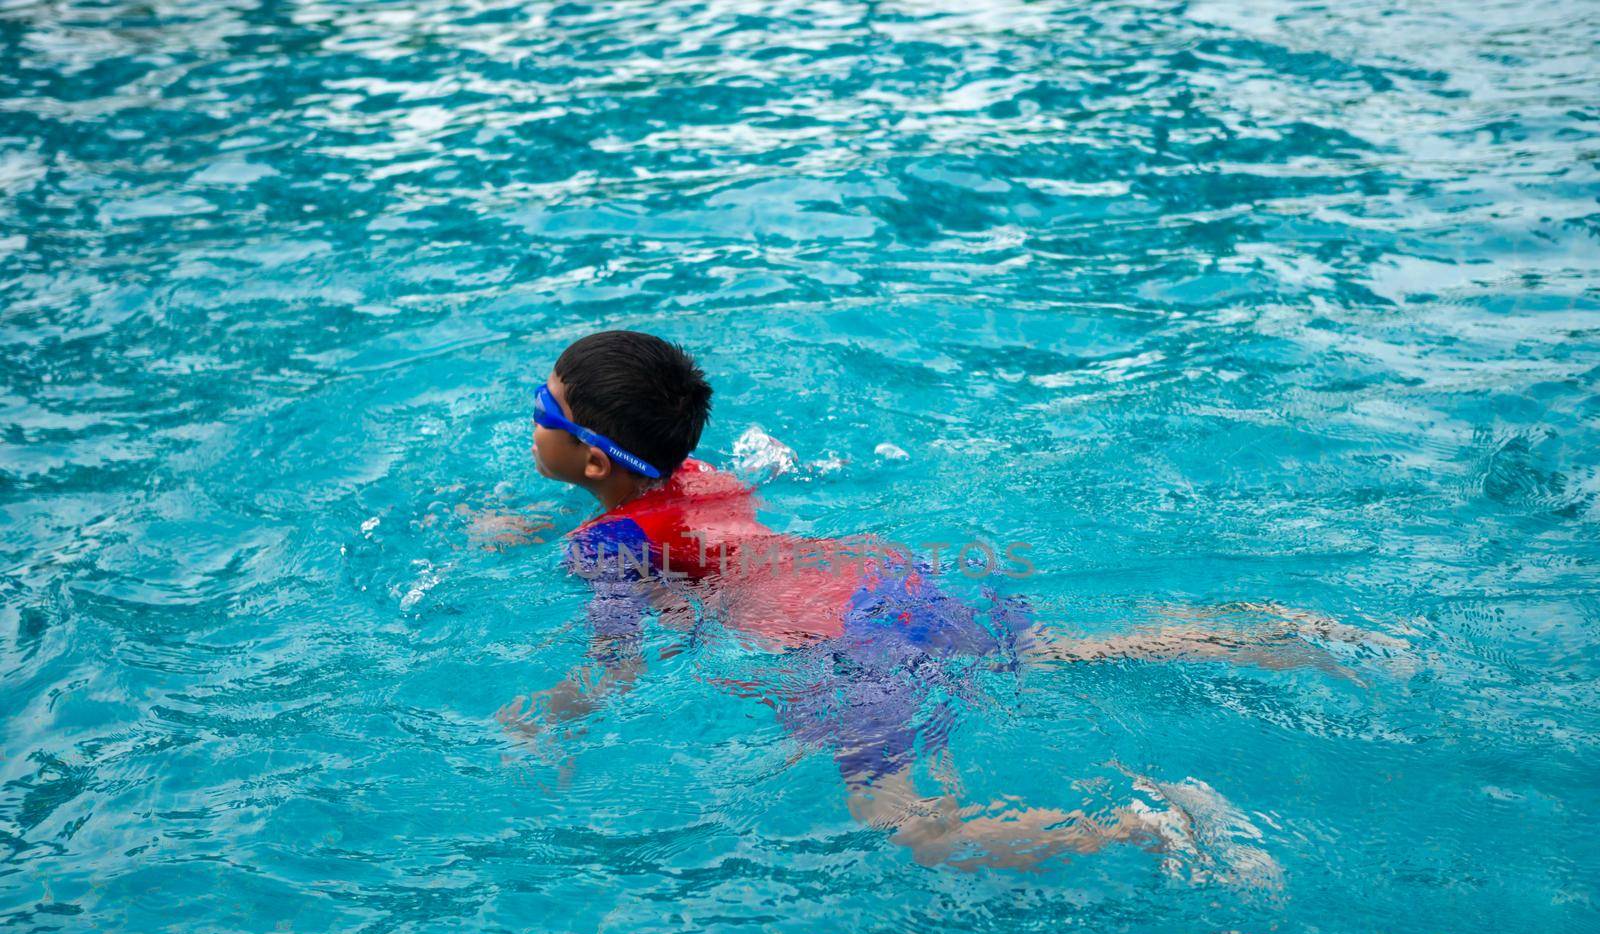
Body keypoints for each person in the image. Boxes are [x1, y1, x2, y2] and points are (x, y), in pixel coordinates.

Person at [494, 330, 1404, 876]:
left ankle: (1146, 827)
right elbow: (678, 528)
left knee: (908, 831)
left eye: (545, 402)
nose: (533, 408)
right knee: (1080, 646)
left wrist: (549, 718)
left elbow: (615, 665)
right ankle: (1290, 640)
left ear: (592, 460)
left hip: (841, 649)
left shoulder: (605, 544)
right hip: (890, 584)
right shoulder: (702, 474)